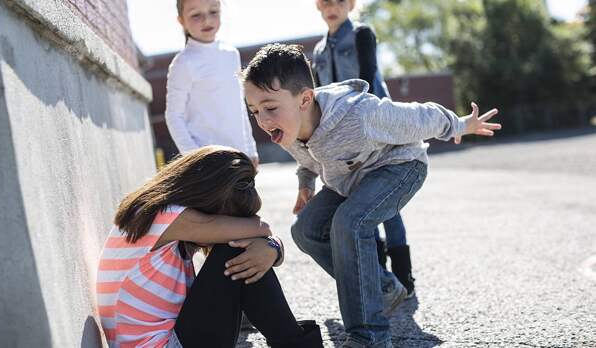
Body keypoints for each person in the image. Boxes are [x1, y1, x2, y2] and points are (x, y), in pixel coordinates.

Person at [241, 44, 501, 348]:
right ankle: (383, 287)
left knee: (349, 223)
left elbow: (419, 116)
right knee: (305, 230)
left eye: (270, 108)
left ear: (305, 99)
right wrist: (306, 186)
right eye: (254, 111)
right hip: (351, 179)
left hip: (401, 166)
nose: (262, 120)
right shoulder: (287, 126)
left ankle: (370, 337)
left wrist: (459, 124)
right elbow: (308, 159)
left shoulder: (359, 115)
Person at [96, 146, 323, 348]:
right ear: (206, 198)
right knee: (235, 249)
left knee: (241, 249)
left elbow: (261, 234)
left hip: (170, 339)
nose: (225, 230)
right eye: (227, 219)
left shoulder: (157, 215)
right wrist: (270, 245)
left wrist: (272, 248)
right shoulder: (164, 216)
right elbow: (260, 228)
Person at [312, 0, 415, 294]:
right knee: (359, 202)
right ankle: (381, 278)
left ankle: (404, 278)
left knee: (387, 203)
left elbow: (369, 78)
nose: (332, 6)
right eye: (325, 1)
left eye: (339, 1)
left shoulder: (361, 34)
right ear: (318, 5)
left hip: (376, 128)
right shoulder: (318, 51)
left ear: (351, 4)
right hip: (341, 138)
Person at [165, 0, 259, 166]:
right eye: (196, 15)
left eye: (213, 12)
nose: (206, 20)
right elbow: (174, 116)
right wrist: (195, 158)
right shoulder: (183, 63)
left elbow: (239, 106)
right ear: (181, 21)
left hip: (240, 156)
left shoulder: (231, 55)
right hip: (208, 162)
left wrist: (250, 149)